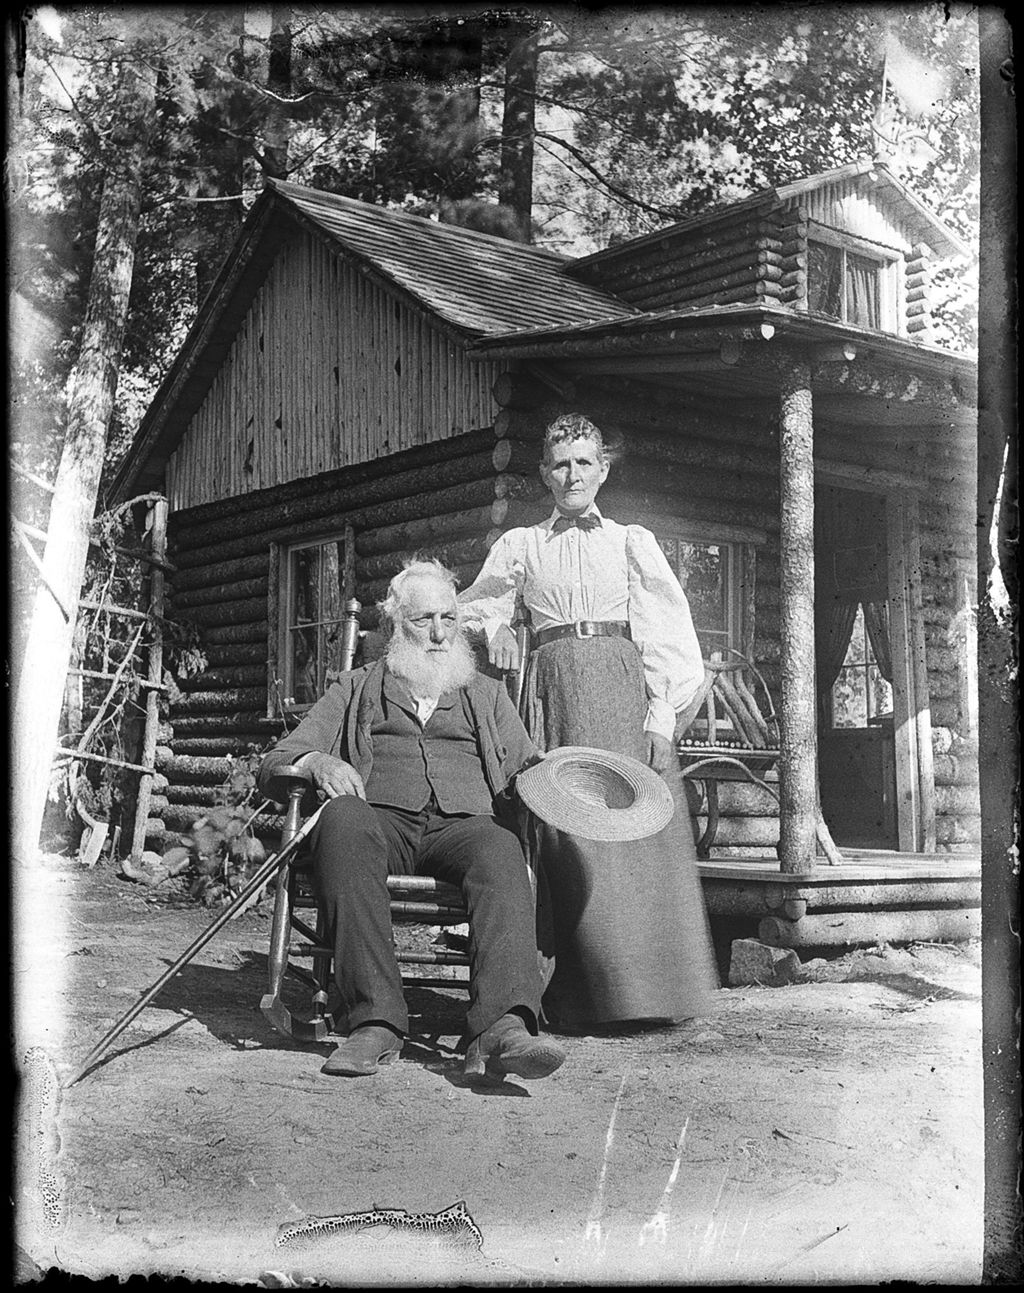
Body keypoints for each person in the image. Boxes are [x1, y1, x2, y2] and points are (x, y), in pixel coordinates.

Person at [258, 559, 565, 1083]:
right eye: (424, 620)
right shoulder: (355, 687)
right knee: (344, 824)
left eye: (449, 618)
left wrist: (550, 778)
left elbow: (523, 770)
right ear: (395, 623)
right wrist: (317, 762)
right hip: (380, 822)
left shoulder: (486, 695)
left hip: (465, 825)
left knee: (500, 848)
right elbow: (278, 759)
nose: (441, 633)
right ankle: (375, 1021)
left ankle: (503, 1028)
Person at [458, 411, 718, 1029]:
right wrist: (495, 627)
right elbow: (471, 607)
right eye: (559, 464)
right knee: (561, 830)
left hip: (621, 689)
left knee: (627, 826)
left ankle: (645, 998)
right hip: (550, 688)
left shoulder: (631, 540)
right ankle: (569, 998)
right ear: (544, 475)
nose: (571, 474)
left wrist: (660, 717)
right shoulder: (522, 544)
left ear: (603, 469)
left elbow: (669, 635)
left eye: (583, 462)